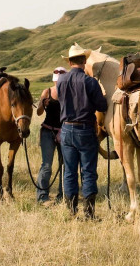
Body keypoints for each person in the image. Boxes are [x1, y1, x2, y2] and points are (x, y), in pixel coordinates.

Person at [56, 43, 107, 219]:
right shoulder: (90, 82)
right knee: (88, 171)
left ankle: (72, 211)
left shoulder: (61, 81)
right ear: (84, 61)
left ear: (70, 63)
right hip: (85, 130)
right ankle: (89, 212)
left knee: (69, 171)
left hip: (66, 129)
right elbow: (102, 105)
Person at [35, 66, 67, 205]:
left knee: (65, 165)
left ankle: (63, 195)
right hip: (48, 131)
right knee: (47, 165)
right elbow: (39, 113)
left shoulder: (70, 93)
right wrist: (42, 103)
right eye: (57, 81)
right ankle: (42, 196)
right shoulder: (46, 92)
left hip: (65, 131)